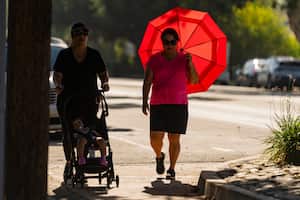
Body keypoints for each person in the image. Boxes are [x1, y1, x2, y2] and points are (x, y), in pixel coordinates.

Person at [53, 22, 110, 182]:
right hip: (68, 101)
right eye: (78, 33)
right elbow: (57, 74)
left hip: (89, 100)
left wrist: (105, 83)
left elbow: (103, 73)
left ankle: (81, 165)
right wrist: (58, 85)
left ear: (87, 36)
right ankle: (70, 161)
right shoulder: (64, 55)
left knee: (85, 131)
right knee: (69, 133)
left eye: (84, 33)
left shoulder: (94, 55)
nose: (81, 36)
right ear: (72, 36)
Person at [142, 28, 198, 180]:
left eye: (172, 42)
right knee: (155, 138)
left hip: (178, 104)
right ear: (162, 43)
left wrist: (191, 64)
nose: (169, 45)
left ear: (177, 42)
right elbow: (147, 81)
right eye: (166, 42)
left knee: (174, 139)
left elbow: (193, 80)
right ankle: (159, 156)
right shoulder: (154, 60)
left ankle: (172, 168)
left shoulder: (184, 59)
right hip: (158, 104)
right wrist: (144, 100)